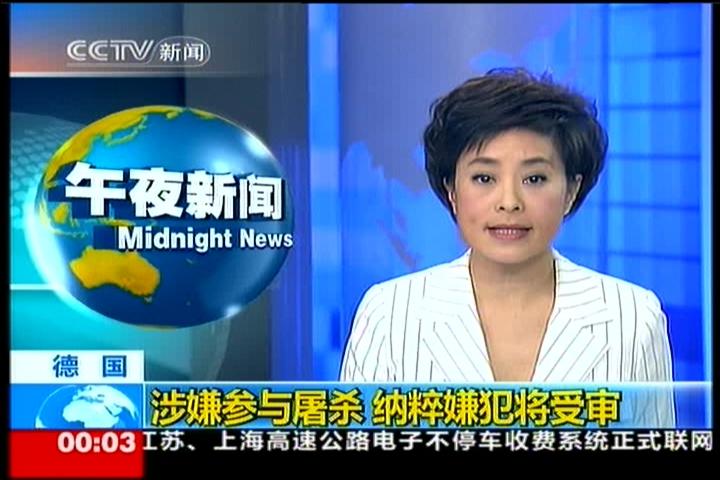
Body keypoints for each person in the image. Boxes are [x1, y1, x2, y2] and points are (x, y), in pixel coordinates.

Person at [339, 68, 675, 427]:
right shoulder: (390, 314)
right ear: (452, 190)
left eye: (535, 178)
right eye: (484, 178)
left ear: (571, 191)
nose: (509, 202)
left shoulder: (632, 317)